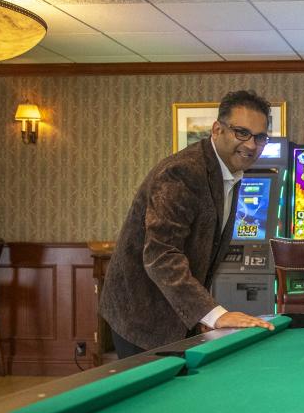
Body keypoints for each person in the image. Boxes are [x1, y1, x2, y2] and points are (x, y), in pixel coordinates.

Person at [101, 90, 275, 358]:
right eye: (242, 132)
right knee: (155, 398)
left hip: (178, 311)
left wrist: (203, 314)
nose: (251, 144)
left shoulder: (230, 171)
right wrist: (216, 315)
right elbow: (161, 254)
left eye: (260, 137)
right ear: (217, 129)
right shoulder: (183, 172)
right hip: (141, 314)